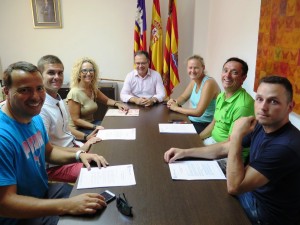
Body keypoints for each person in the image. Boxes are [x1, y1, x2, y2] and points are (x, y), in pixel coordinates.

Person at [164, 75, 300, 225]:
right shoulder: (263, 125)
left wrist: (236, 134)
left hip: (266, 213)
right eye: (260, 99)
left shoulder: (285, 146)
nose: (263, 107)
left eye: (273, 101)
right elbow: (224, 147)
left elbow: (234, 186)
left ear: (290, 106)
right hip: (253, 193)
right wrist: (184, 152)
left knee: (201, 201)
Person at [0, 61, 109, 225]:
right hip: (19, 217)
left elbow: (48, 152)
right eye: (24, 90)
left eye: (39, 88)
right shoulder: (3, 137)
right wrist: (66, 205)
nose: (36, 96)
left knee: (98, 195)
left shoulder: (33, 117)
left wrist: (80, 156)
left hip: (43, 192)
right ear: (6, 92)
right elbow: (5, 203)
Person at [38, 55, 101, 183]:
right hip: (57, 165)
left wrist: (86, 138)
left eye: (60, 73)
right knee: (99, 172)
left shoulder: (58, 98)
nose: (57, 77)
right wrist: (79, 151)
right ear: (40, 76)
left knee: (105, 151)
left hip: (74, 147)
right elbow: (47, 151)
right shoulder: (41, 110)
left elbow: (66, 129)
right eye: (51, 73)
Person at [200, 57, 254, 147]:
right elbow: (214, 123)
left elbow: (231, 144)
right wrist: (197, 138)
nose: (227, 76)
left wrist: (200, 150)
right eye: (225, 71)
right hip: (212, 142)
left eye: (234, 72)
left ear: (243, 78)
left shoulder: (243, 106)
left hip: (227, 152)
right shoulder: (221, 96)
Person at [67, 57, 128, 134]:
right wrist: (95, 127)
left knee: (115, 127)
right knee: (108, 134)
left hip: (91, 123)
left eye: (91, 70)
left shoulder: (92, 88)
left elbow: (107, 100)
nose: (88, 73)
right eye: (84, 70)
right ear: (79, 73)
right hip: (79, 130)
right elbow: (76, 120)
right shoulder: (74, 93)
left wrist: (118, 104)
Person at [167, 55, 220, 133]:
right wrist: (174, 102)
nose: (192, 71)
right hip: (192, 120)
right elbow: (183, 97)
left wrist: (176, 108)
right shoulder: (194, 81)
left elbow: (198, 112)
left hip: (204, 124)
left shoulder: (209, 83)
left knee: (174, 135)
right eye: (190, 68)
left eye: (196, 68)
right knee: (167, 127)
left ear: (203, 68)